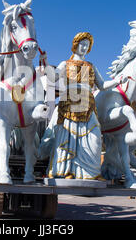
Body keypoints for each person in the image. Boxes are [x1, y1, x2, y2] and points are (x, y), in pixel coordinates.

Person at [45, 32, 126, 180]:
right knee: (68, 138)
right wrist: (45, 64)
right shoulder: (65, 64)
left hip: (88, 105)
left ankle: (90, 173)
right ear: (75, 45)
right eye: (82, 44)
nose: (84, 47)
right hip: (70, 104)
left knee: (94, 140)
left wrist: (118, 80)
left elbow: (102, 85)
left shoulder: (91, 66)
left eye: (87, 46)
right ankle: (65, 171)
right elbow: (53, 77)